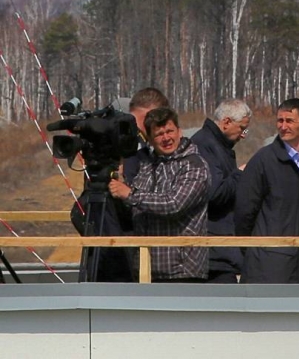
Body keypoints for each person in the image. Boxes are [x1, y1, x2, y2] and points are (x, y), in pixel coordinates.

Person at [71, 86, 170, 282]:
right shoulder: (128, 144)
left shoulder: (111, 136)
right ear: (151, 114)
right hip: (117, 231)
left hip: (107, 225)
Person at [109, 107, 211, 282]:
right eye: (159, 134)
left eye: (170, 131)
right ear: (149, 138)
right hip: (145, 267)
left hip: (183, 271)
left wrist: (130, 194)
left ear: (179, 131)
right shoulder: (146, 165)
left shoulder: (194, 165)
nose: (166, 138)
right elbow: (131, 207)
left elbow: (174, 204)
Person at [235, 97, 299, 283]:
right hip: (268, 265)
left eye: (289, 121)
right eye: (280, 120)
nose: (283, 126)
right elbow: (244, 212)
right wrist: (257, 249)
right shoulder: (263, 161)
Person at [191, 99, 252, 283]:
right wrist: (240, 174)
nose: (243, 135)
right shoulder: (205, 145)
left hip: (218, 249)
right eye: (242, 128)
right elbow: (215, 193)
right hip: (211, 249)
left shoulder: (216, 146)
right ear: (226, 122)